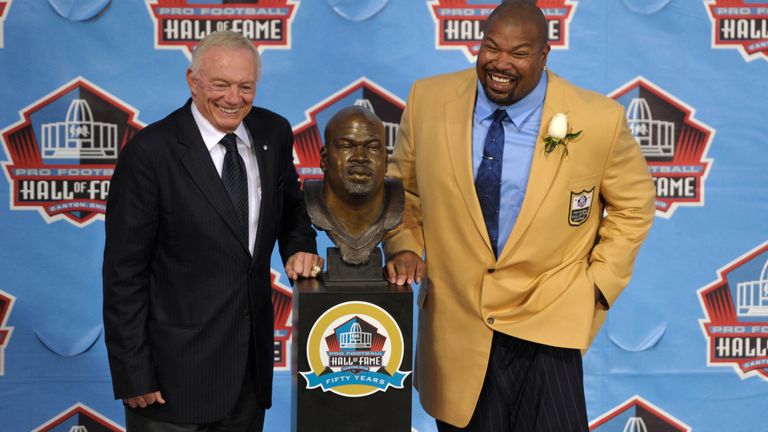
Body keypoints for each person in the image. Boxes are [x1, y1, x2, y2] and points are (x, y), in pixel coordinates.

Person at [383, 1, 655, 431]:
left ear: (545, 55)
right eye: (491, 47)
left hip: (551, 320)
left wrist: (597, 286)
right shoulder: (427, 100)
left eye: (519, 53)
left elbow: (634, 205)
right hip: (458, 325)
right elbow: (403, 191)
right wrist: (403, 245)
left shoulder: (598, 119)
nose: (500, 63)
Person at [103, 30, 323, 431]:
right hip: (170, 382)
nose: (233, 98)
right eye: (220, 85)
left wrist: (299, 246)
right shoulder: (151, 153)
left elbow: (293, 210)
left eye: (245, 86)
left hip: (248, 376)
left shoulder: (273, 132)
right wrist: (134, 372)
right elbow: (123, 274)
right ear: (193, 81)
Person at [304, 106, 403, 266]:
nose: (360, 157)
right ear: (324, 159)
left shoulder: (397, 200)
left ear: (385, 160)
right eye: (346, 146)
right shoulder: (309, 202)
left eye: (372, 147)